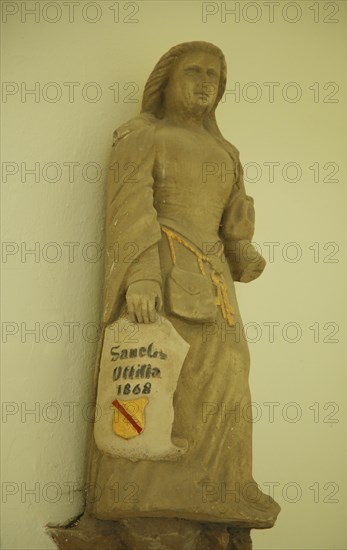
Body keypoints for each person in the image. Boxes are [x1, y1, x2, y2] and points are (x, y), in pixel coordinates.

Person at [86, 41, 280, 548]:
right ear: (165, 80)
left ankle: (217, 496)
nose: (204, 83)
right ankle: (143, 501)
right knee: (164, 380)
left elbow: (233, 220)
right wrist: (141, 275)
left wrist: (243, 251)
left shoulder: (226, 151)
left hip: (214, 284)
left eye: (214, 76)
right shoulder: (144, 136)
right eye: (193, 72)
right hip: (163, 272)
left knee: (228, 380)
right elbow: (130, 207)